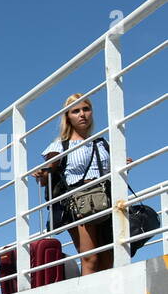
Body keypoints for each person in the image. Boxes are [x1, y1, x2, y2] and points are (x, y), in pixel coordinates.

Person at [36, 94, 113, 276]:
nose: (82, 114)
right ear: (68, 117)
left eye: (86, 109)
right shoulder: (60, 146)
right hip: (78, 202)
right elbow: (46, 175)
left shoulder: (102, 143)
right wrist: (42, 173)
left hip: (105, 199)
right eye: (75, 111)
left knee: (109, 258)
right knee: (90, 258)